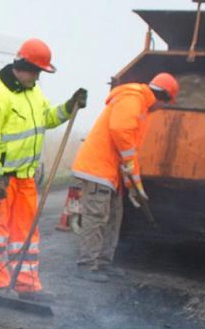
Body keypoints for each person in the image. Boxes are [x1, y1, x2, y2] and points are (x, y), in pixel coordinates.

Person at [0, 39, 86, 300]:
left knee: (27, 233)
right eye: (34, 71)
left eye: (39, 73)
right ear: (21, 66)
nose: (36, 77)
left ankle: (28, 284)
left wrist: (69, 107)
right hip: (0, 178)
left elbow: (47, 119)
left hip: (25, 178)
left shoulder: (33, 93)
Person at [66, 73, 179, 281]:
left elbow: (130, 152)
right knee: (96, 218)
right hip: (97, 169)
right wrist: (129, 166)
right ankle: (86, 264)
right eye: (166, 104)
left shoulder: (141, 105)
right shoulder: (133, 98)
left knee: (114, 218)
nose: (162, 109)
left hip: (111, 173)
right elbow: (120, 132)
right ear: (162, 97)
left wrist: (134, 185)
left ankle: (102, 263)